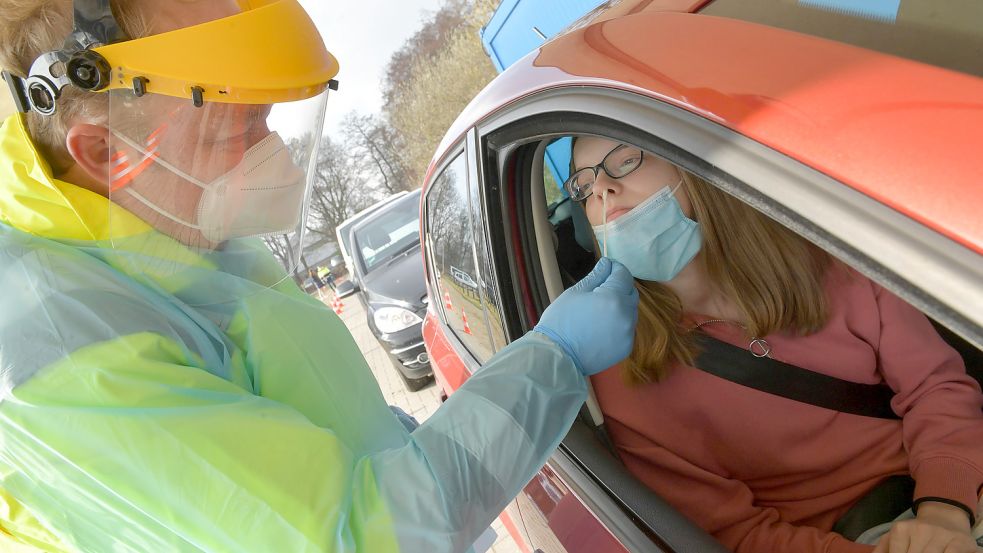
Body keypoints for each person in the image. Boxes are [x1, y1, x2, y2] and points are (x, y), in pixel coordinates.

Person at [0, 2, 640, 552]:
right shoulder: (62, 346)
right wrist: (554, 360)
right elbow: (362, 536)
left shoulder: (171, 237)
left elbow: (276, 406)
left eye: (265, 113)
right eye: (236, 121)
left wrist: (382, 431)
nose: (268, 141)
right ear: (108, 152)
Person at [563, 136, 983, 553]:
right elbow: (736, 534)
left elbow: (936, 387)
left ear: (689, 166)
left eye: (625, 160)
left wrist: (944, 512)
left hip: (956, 489)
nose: (602, 189)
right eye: (583, 185)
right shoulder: (622, 373)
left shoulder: (825, 257)